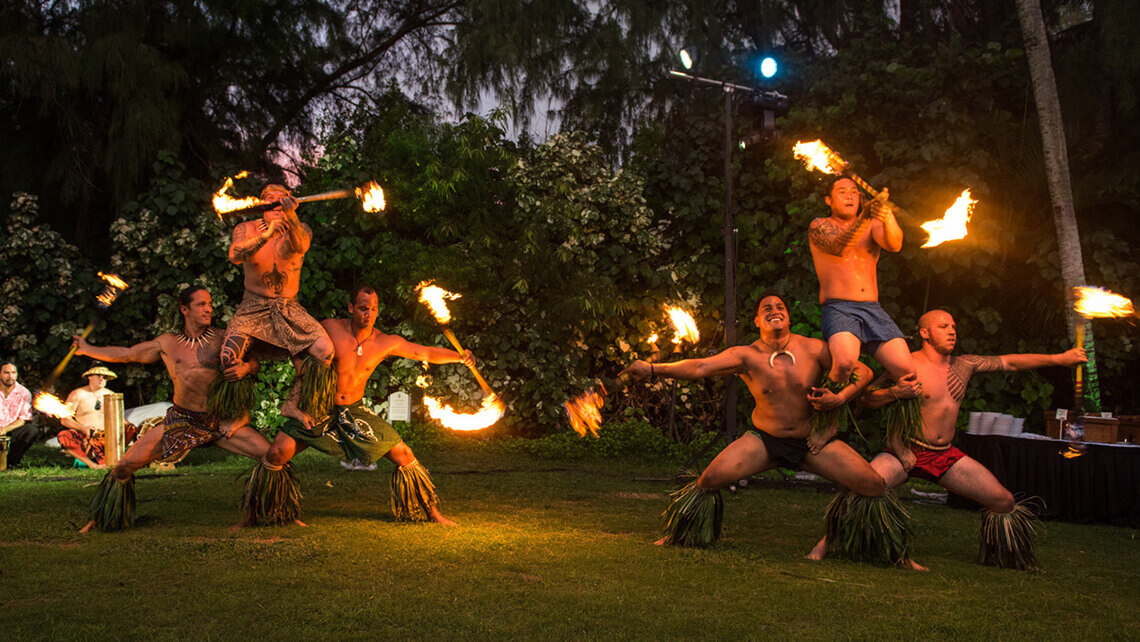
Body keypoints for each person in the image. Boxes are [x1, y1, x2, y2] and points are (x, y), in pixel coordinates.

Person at [619, 293, 916, 563]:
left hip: (810, 442)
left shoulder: (814, 348)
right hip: (765, 440)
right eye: (766, 308)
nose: (775, 311)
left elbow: (862, 371)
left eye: (780, 307)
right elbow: (699, 367)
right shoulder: (746, 355)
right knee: (708, 480)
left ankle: (886, 552)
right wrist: (653, 368)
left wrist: (838, 398)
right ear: (757, 320)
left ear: (788, 316)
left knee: (873, 484)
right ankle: (680, 536)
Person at [808, 309, 1087, 570]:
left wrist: (1059, 359)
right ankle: (824, 545)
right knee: (862, 488)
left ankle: (1003, 555)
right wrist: (895, 392)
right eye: (944, 327)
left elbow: (1010, 362)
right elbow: (867, 399)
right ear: (925, 333)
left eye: (953, 327)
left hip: (945, 454)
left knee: (1003, 500)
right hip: (904, 450)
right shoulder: (906, 364)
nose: (952, 331)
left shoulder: (964, 366)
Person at [239, 286, 473, 528]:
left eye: (373, 309)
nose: (368, 314)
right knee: (276, 454)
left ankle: (433, 513)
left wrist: (459, 357)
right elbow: (294, 341)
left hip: (354, 411)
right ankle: (253, 516)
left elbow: (423, 351)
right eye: (362, 308)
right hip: (319, 408)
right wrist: (300, 366)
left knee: (405, 455)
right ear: (351, 308)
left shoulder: (384, 342)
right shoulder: (330, 328)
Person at [71, 285, 277, 532]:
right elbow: (128, 354)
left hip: (218, 420)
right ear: (184, 309)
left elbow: (254, 360)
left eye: (210, 303)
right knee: (123, 467)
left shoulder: (223, 337)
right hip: (182, 420)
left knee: (272, 456)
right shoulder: (167, 343)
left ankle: (269, 515)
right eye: (201, 304)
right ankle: (102, 518)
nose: (209, 308)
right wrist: (87, 349)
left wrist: (246, 368)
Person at [808, 176, 923, 470]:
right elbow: (839, 248)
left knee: (907, 371)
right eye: (841, 192)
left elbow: (895, 244)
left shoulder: (871, 224)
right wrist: (866, 216)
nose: (849, 196)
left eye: (854, 193)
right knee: (845, 362)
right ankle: (828, 423)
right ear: (828, 200)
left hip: (872, 308)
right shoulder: (820, 226)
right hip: (839, 306)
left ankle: (896, 438)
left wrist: (887, 213)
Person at [211, 184, 335, 420]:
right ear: (261, 204)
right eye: (270, 198)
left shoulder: (300, 228)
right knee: (228, 358)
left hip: (289, 307)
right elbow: (235, 255)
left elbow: (301, 246)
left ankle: (293, 404)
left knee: (324, 351)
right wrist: (267, 234)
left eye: (283, 198)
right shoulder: (245, 228)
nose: (276, 202)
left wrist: (292, 217)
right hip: (252, 307)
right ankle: (237, 414)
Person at [56, 366, 124, 469]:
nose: (102, 379)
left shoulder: (111, 395)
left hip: (105, 437)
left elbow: (119, 419)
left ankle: (113, 460)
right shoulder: (77, 394)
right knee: (64, 436)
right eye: (98, 376)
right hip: (83, 436)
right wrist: (84, 429)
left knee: (129, 429)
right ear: (90, 377)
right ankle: (92, 464)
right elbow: (65, 420)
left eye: (104, 377)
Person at [0, 360, 46, 469]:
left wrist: (4, 429)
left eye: (13, 373)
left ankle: (11, 462)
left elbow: (23, 419)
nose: (10, 376)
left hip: (10, 429)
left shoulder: (24, 393)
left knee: (31, 430)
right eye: (6, 373)